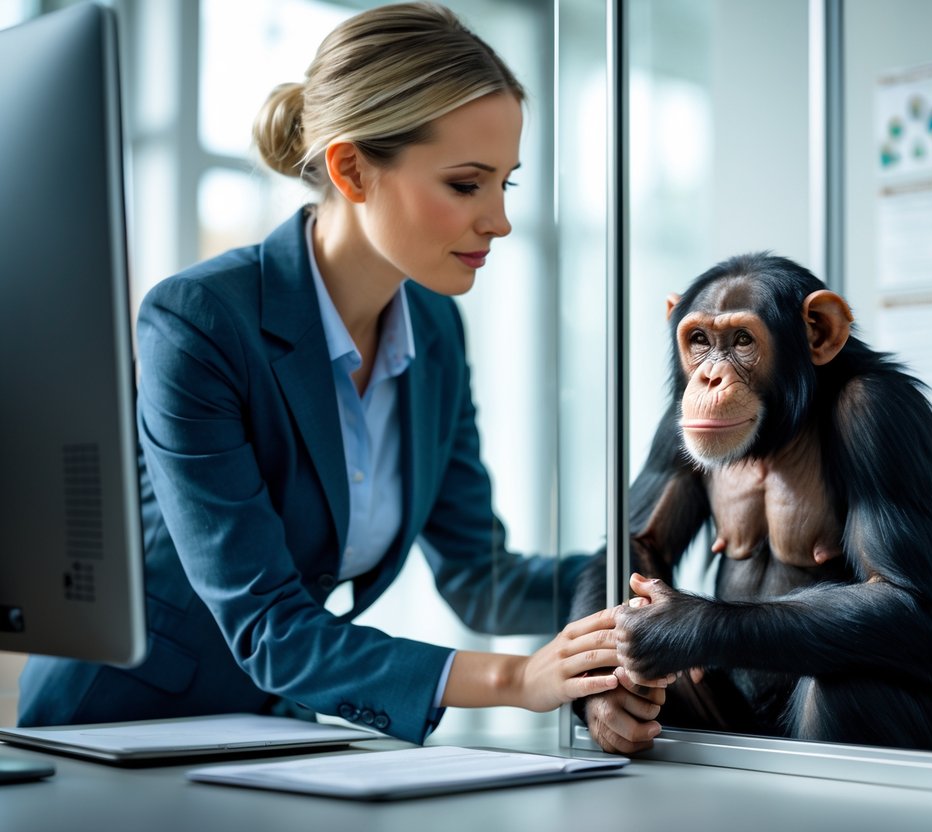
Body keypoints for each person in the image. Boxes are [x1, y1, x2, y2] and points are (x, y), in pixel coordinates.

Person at [18, 1, 624, 744]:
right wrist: (515, 680)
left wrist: (644, 577)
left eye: (507, 184)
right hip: (119, 729)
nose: (497, 219)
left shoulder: (432, 329)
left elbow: (480, 576)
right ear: (351, 169)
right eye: (467, 185)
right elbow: (270, 624)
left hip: (270, 731)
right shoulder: (198, 322)